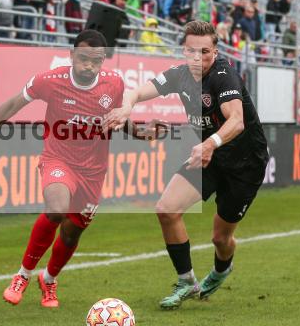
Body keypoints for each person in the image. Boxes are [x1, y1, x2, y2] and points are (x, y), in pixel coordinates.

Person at [0, 31, 147, 307]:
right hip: (58, 159)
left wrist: (142, 133)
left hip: (93, 171)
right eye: (84, 58)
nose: (89, 65)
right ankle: (22, 275)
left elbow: (119, 118)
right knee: (56, 209)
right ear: (72, 55)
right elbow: (11, 105)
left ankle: (49, 279)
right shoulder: (50, 81)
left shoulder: (114, 84)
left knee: (72, 231)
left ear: (103, 61)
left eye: (96, 60)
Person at [104, 20, 269, 309]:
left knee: (220, 238)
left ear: (215, 52)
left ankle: (221, 270)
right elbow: (138, 91)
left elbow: (237, 121)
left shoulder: (223, 76)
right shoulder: (179, 76)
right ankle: (186, 281)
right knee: (167, 210)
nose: (198, 58)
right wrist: (127, 106)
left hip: (245, 163)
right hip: (209, 157)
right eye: (192, 51)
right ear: (184, 51)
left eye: (205, 52)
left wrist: (209, 143)